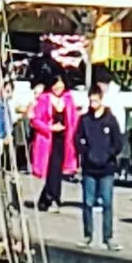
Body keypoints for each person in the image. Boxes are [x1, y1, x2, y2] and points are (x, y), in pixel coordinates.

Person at [74, 82, 126, 246]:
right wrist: (85, 152)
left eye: (96, 101)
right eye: (91, 101)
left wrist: (108, 154)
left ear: (102, 100)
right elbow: (76, 139)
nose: (93, 104)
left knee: (107, 203)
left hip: (106, 168)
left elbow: (118, 142)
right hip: (89, 167)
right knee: (88, 202)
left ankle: (108, 237)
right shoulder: (85, 119)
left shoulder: (110, 120)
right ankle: (88, 234)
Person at [27, 70, 79, 217]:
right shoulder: (44, 99)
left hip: (64, 140)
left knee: (56, 170)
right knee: (52, 170)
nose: (59, 88)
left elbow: (74, 119)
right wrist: (49, 127)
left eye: (61, 85)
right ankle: (53, 198)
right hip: (47, 139)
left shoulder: (68, 99)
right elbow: (35, 121)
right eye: (56, 85)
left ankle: (48, 198)